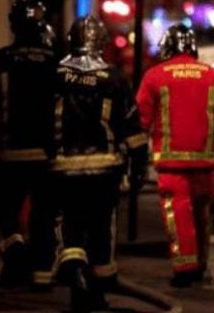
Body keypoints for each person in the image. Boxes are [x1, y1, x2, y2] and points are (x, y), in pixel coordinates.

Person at [52, 16, 148, 312]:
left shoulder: (55, 74)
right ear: (102, 42)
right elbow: (131, 128)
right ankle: (96, 289)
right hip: (104, 170)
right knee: (100, 229)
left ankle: (78, 285)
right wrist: (139, 165)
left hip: (63, 167)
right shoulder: (114, 77)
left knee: (70, 225)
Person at [136, 24, 214, 287]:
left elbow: (141, 119)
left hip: (171, 165)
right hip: (205, 163)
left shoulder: (154, 76)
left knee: (179, 215)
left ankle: (186, 269)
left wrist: (135, 153)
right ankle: (201, 262)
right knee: (202, 215)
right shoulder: (212, 76)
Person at [0, 0, 59, 288]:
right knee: (46, 213)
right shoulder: (57, 60)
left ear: (13, 24)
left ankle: (15, 252)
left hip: (11, 152)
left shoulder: (0, 60)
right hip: (47, 153)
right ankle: (41, 274)